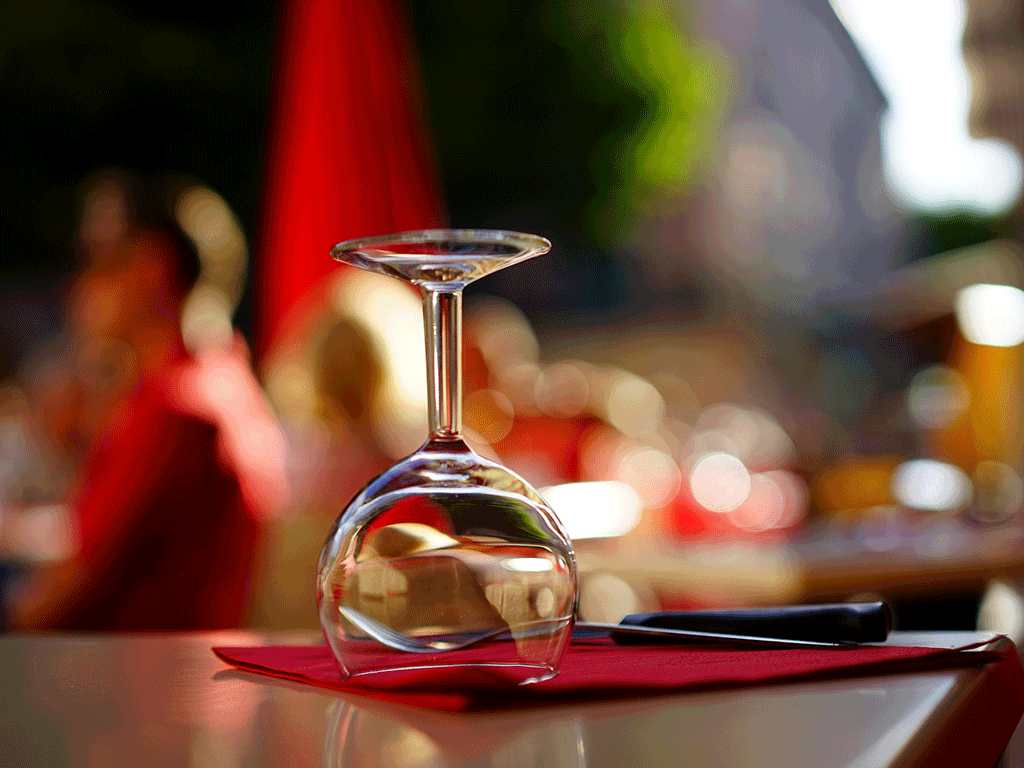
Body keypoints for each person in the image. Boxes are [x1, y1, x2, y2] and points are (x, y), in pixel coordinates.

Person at [6, 169, 288, 630]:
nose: (77, 285)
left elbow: (52, 603)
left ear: (148, 269)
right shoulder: (222, 381)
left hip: (129, 689)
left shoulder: (176, 410)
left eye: (97, 258)